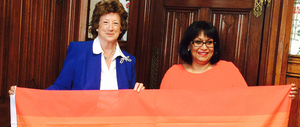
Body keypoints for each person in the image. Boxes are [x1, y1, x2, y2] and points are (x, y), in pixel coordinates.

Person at [9, 0, 144, 95]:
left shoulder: (129, 61)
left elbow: (129, 100)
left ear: (121, 29)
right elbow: (61, 87)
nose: (110, 28)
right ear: (97, 26)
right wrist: (25, 95)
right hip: (83, 126)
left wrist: (139, 92)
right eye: (105, 22)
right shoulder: (78, 50)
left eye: (115, 23)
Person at [160, 21, 297, 98]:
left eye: (209, 42)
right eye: (198, 42)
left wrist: (283, 96)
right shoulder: (173, 74)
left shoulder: (228, 70)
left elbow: (248, 101)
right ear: (189, 45)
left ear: (215, 46)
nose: (204, 47)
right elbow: (159, 110)